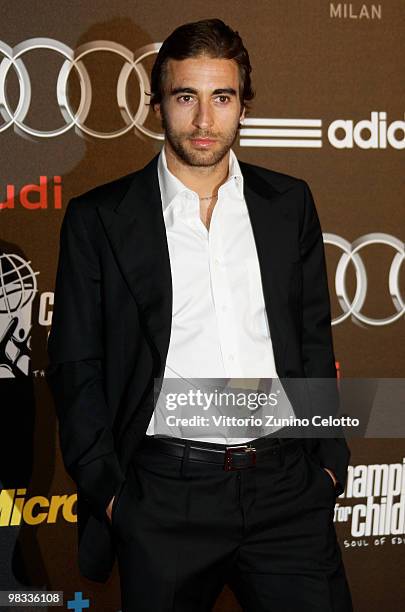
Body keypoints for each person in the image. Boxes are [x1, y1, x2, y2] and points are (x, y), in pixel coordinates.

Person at [46, 18, 353, 612]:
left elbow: (313, 339)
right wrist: (111, 494)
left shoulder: (288, 204)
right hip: (166, 494)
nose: (205, 120)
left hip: (287, 487)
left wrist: (329, 465)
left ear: (243, 105)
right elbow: (76, 364)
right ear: (158, 103)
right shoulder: (101, 218)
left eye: (222, 97)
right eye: (187, 97)